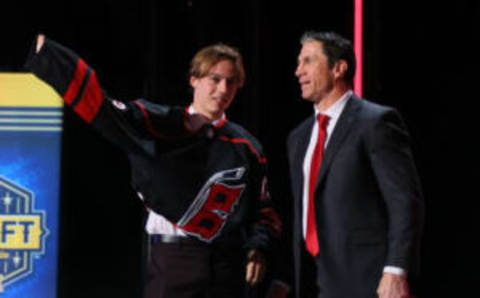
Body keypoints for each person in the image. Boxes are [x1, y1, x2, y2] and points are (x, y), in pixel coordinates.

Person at [26, 35, 281, 298]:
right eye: (215, 79)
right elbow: (104, 110)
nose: (223, 89)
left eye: (231, 82)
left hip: (227, 265)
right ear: (194, 80)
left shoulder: (247, 146)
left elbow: (263, 210)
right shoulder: (160, 122)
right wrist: (51, 58)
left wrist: (258, 248)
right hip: (172, 261)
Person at [277, 31, 424, 298]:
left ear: (338, 68)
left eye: (308, 61)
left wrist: (396, 270)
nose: (298, 71)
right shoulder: (298, 137)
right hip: (313, 279)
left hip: (367, 279)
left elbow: (404, 202)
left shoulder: (376, 122)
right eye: (299, 63)